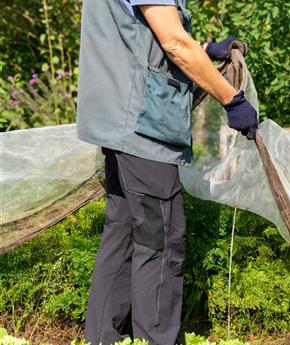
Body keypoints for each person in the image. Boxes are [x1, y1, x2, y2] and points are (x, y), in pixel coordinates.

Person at [75, 0, 257, 343]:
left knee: (125, 231)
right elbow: (173, 42)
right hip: (141, 123)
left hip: (120, 121)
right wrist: (231, 99)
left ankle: (103, 338)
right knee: (161, 239)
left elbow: (144, 36)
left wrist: (204, 49)